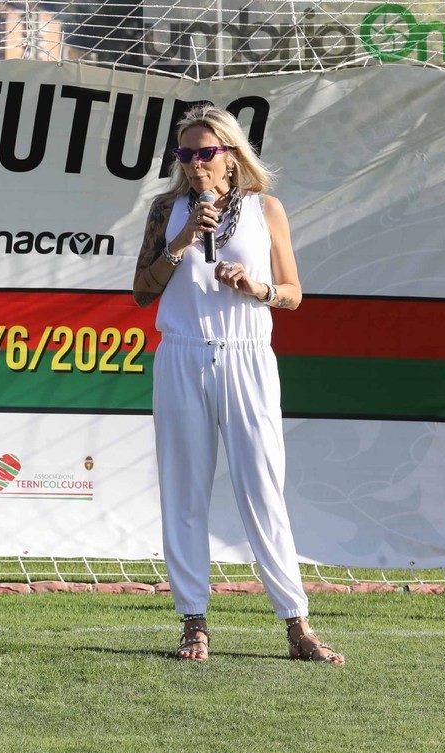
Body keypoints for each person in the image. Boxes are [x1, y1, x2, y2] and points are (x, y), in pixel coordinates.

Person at [132, 105, 343, 664]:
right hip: (181, 353)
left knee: (262, 489)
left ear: (229, 155)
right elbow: (141, 291)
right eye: (186, 154)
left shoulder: (265, 208)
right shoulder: (166, 210)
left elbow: (294, 292)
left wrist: (257, 288)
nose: (196, 164)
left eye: (205, 153)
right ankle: (193, 623)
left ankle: (297, 625)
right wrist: (179, 242)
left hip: (248, 354)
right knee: (184, 491)